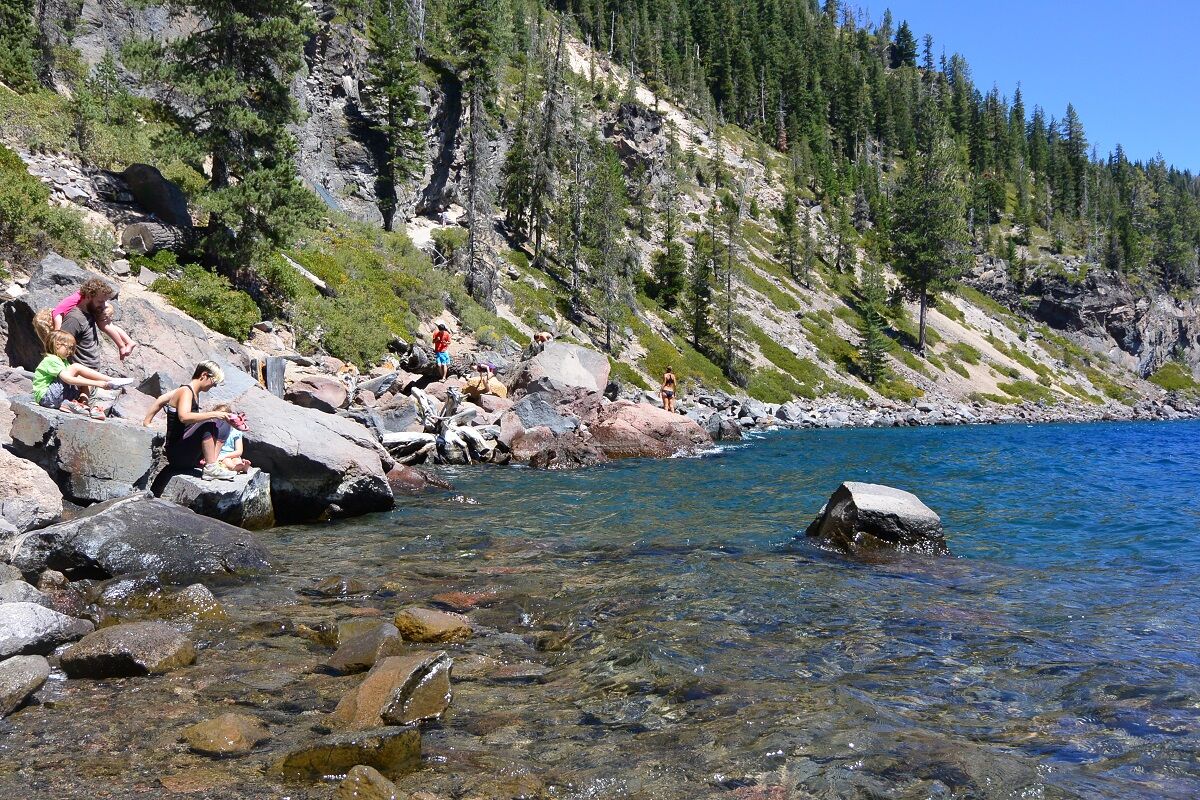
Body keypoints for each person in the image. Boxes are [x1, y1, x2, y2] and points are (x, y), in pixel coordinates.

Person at [159, 361, 238, 481]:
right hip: (176, 454)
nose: (214, 386)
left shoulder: (194, 393)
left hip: (187, 452)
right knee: (208, 424)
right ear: (204, 375)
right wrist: (214, 414)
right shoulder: (185, 391)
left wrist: (229, 419)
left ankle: (211, 464)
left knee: (224, 423)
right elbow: (183, 417)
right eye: (214, 382)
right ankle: (211, 469)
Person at [31, 331, 132, 420]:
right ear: (57, 345)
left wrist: (89, 382)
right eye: (69, 348)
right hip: (46, 397)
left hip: (54, 398)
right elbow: (68, 379)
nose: (71, 352)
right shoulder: (51, 359)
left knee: (83, 379)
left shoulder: (63, 361)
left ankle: (83, 406)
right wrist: (98, 383)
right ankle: (111, 379)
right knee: (75, 367)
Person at [50, 287, 135, 360]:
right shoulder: (81, 296)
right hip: (103, 305)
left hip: (101, 306)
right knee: (110, 325)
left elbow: (58, 331)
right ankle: (129, 341)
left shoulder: (58, 311)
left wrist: (55, 339)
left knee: (104, 325)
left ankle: (121, 346)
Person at [59, 278, 118, 373]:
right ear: (88, 296)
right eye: (100, 301)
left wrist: (110, 309)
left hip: (92, 373)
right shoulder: (74, 319)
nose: (103, 306)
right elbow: (60, 347)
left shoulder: (91, 311)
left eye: (104, 302)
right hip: (79, 376)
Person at [211, 404, 253, 473]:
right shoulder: (213, 430)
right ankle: (235, 468)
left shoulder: (236, 432)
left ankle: (242, 467)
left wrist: (225, 456)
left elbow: (239, 451)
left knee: (237, 460)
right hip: (219, 455)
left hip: (232, 455)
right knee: (226, 461)